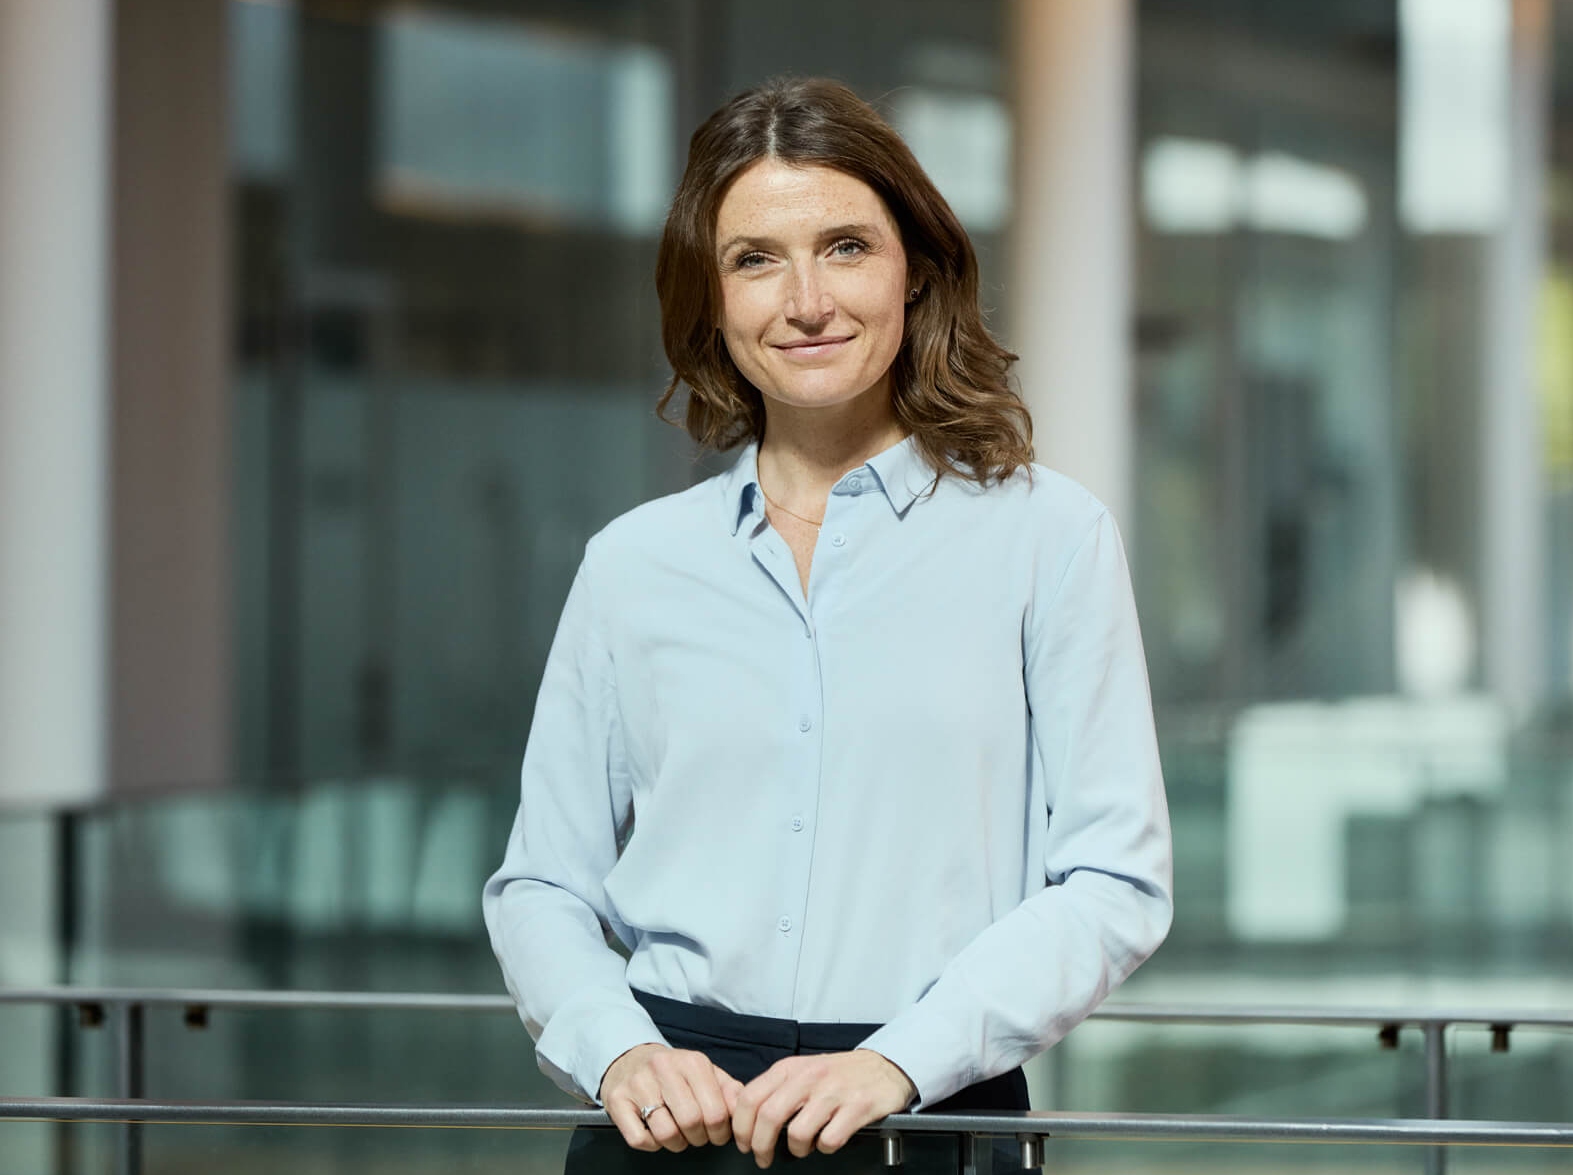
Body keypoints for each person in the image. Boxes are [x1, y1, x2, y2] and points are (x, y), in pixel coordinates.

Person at [482, 76, 1172, 1173]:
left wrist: (900, 1058)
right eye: (757, 258)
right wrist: (618, 1051)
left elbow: (1112, 880)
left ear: (917, 270)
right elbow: (542, 883)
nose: (805, 300)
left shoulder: (1049, 537)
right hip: (669, 1117)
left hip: (924, 1110)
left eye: (845, 246)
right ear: (710, 297)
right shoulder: (633, 563)